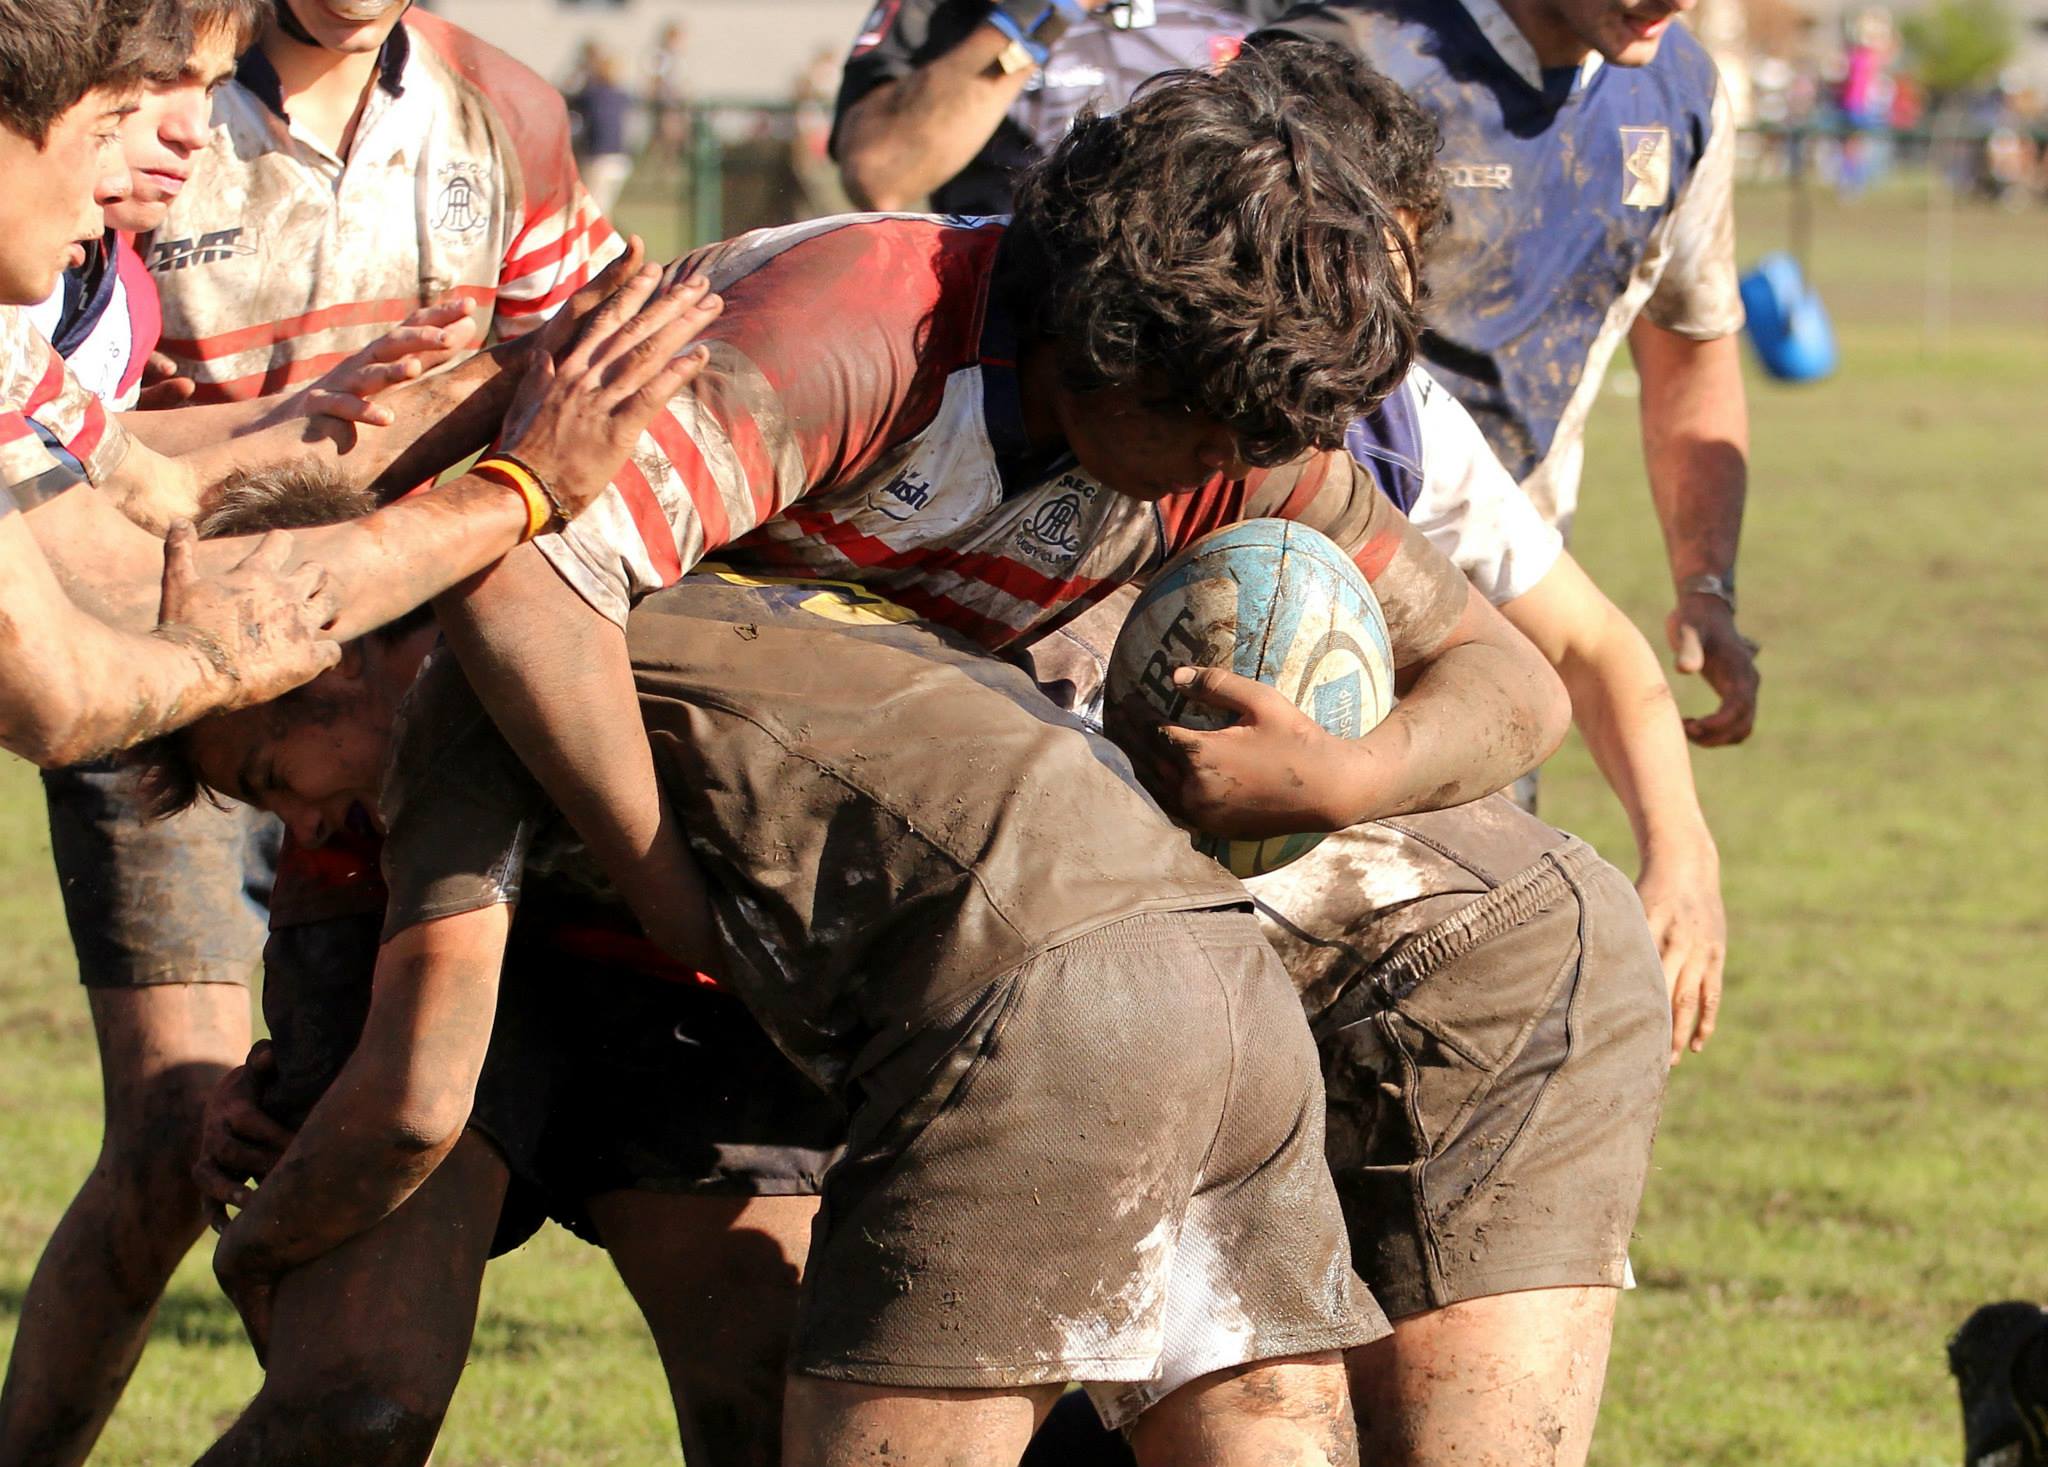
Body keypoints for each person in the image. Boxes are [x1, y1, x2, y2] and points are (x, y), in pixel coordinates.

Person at [157, 552, 1381, 1467]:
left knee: (803, 1421)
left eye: (272, 777)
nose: (299, 826)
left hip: (1027, 1003)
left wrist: (257, 1245)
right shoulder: (715, 583)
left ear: (335, 653)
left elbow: (414, 1105)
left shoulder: (476, 679)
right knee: (1249, 1429)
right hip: (1221, 971)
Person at [1254, 0, 1763, 750]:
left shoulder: (1680, 92)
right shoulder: (1345, 51)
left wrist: (1705, 584)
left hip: (1513, 615)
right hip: (1290, 590)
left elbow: (1688, 352)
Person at [0, 0, 341, 772]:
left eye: (214, 85)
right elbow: (64, 679)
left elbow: (141, 483)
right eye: (155, 83)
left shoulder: (115, 288)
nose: (192, 128)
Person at [145, 0, 619, 409]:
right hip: (164, 509)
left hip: (413, 513)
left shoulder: (507, 110)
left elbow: (581, 384)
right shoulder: (141, 92)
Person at [831, 0, 1286, 214]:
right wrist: (1042, 14)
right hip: (1021, 334)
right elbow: (880, 171)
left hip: (1214, 324)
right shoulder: (948, 10)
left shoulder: (1272, 9)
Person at [568, 46, 633, 215]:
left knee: (593, 211)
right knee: (601, 209)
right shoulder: (622, 95)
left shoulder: (591, 94)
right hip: (621, 159)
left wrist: (583, 72)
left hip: (599, 158)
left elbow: (569, 97)